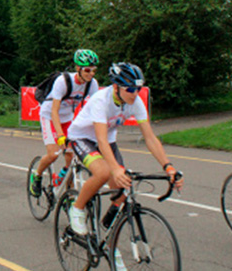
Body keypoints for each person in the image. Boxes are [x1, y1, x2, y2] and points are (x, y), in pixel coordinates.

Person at [66, 62, 183, 238]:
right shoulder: (101, 100)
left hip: (107, 140)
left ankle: (107, 230)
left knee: (123, 188)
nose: (135, 93)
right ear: (116, 87)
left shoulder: (136, 102)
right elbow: (101, 140)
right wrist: (114, 169)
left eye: (138, 88)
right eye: (129, 89)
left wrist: (168, 166)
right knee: (103, 172)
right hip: (82, 137)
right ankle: (77, 208)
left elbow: (150, 138)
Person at [30, 49, 100, 196]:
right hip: (49, 115)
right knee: (54, 154)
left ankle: (67, 191)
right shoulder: (62, 81)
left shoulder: (92, 84)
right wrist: (60, 135)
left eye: (94, 70)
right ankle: (37, 175)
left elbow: (95, 110)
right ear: (78, 68)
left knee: (71, 158)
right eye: (87, 70)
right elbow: (54, 110)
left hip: (67, 118)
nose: (91, 74)